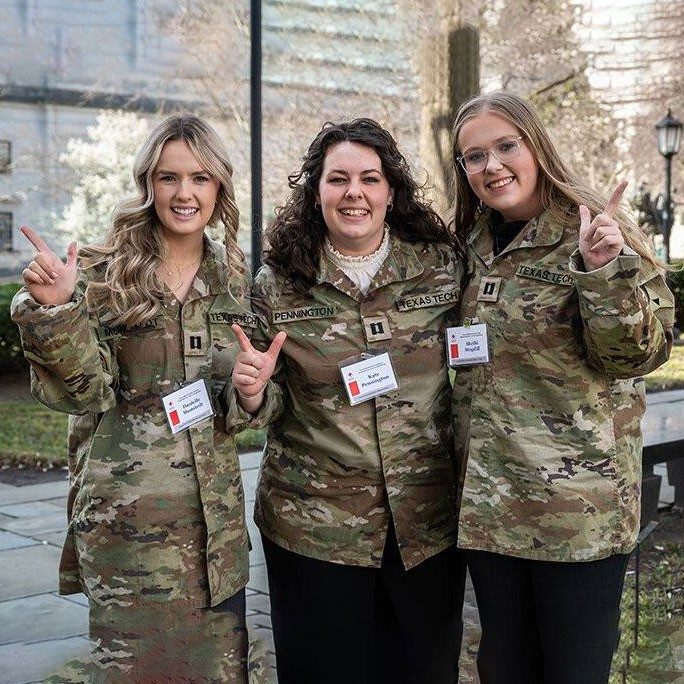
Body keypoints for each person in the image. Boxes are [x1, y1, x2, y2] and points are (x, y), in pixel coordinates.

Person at [10, 114, 283, 682]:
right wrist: (58, 310)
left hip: (215, 534)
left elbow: (248, 402)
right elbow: (83, 391)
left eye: (200, 178)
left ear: (219, 188)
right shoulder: (106, 276)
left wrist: (253, 394)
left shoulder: (236, 280)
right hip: (128, 529)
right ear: (147, 184)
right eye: (168, 177)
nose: (185, 193)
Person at [449, 91, 675, 684]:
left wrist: (602, 271)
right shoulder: (473, 244)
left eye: (505, 146)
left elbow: (640, 353)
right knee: (503, 667)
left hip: (576, 516)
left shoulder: (593, 226)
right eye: (474, 157)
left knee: (572, 671)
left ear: (536, 147)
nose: (491, 165)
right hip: (492, 510)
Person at [230, 118, 466, 684]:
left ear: (391, 190)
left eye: (369, 178)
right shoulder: (278, 283)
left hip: (425, 523)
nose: (354, 192)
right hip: (315, 527)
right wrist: (254, 393)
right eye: (338, 179)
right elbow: (261, 397)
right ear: (316, 191)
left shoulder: (441, 266)